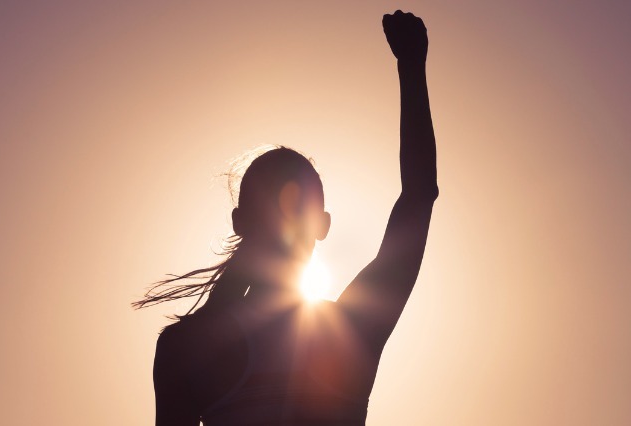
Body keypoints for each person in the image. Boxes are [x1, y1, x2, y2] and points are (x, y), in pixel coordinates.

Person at [133, 10, 437, 425]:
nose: (285, 223)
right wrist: (411, 66)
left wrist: (412, 66)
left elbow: (419, 197)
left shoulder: (187, 346)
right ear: (324, 227)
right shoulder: (351, 330)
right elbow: (418, 198)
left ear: (239, 221)